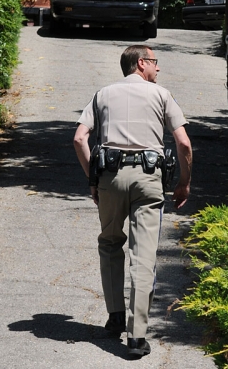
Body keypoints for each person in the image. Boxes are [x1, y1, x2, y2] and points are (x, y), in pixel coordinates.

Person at [73, 45, 193, 358]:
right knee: (143, 255)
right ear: (141, 63)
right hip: (149, 179)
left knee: (110, 243)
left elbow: (79, 137)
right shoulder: (162, 95)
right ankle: (137, 336)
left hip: (110, 177)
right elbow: (183, 142)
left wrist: (93, 179)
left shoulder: (102, 94)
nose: (158, 68)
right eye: (155, 62)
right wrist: (183, 182)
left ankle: (114, 317)